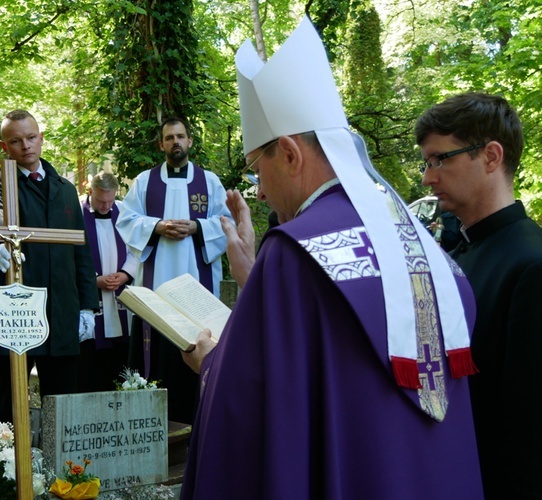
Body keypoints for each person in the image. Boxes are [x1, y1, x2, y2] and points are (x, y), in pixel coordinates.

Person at [180, 18, 483, 499]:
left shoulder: (293, 253)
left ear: (289, 153)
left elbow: (251, 402)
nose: (259, 190)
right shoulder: (421, 246)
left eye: (258, 168)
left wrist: (210, 361)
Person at [416, 92, 542, 499]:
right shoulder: (452, 256)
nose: (427, 178)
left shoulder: (532, 265)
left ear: (490, 156)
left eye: (441, 159)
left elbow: (528, 434)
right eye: (427, 162)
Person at [0, 109, 99, 423]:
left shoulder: (66, 189)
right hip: (17, 314)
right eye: (16, 141)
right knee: (10, 410)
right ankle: (11, 470)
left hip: (62, 314)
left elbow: (81, 254)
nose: (26, 146)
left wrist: (87, 306)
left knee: (63, 410)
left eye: (31, 138)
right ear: (5, 147)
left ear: (41, 138)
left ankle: (64, 473)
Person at [116, 116, 231, 424]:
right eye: (169, 137)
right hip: (157, 289)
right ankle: (155, 423)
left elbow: (227, 224)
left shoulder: (210, 182)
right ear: (161, 144)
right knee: (159, 356)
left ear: (190, 141)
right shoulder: (144, 182)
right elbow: (125, 221)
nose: (176, 142)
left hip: (199, 289)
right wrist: (156, 226)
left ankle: (200, 424)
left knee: (198, 347)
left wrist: (197, 227)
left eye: (181, 136)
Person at [79, 171, 139, 392]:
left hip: (120, 292)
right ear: (90, 191)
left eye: (110, 200)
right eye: (100, 201)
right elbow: (70, 253)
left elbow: (137, 250)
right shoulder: (77, 212)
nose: (106, 206)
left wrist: (124, 274)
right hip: (91, 292)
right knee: (91, 360)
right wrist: (94, 280)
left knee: (119, 358)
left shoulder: (124, 211)